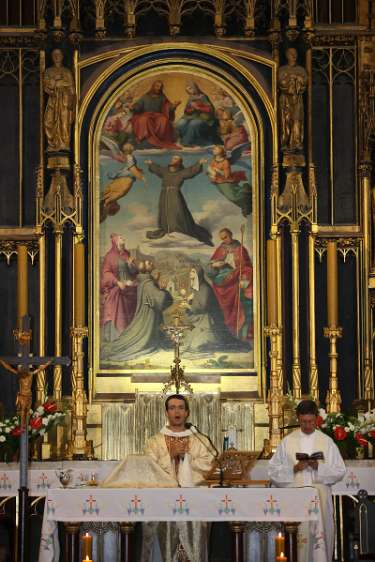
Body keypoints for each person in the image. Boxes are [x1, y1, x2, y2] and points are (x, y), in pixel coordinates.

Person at [268, 400, 346, 562]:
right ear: (298, 419)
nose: (307, 425)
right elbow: (273, 471)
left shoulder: (326, 442)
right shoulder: (287, 442)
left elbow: (339, 471)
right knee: (298, 542)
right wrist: (294, 469)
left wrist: (319, 467)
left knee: (319, 541)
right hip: (296, 498)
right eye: (303, 422)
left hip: (320, 498)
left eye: (310, 421)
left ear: (316, 419)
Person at [143, 394, 214, 562]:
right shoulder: (155, 441)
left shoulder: (200, 440)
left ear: (187, 413)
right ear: (166, 413)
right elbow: (149, 468)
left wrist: (186, 457)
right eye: (172, 408)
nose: (177, 412)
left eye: (181, 408)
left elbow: (210, 464)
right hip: (164, 501)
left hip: (194, 501)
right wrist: (170, 457)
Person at [101, 260, 173, 361]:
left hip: (148, 316)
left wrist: (156, 283)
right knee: (137, 340)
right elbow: (159, 300)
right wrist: (163, 290)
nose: (151, 263)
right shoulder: (148, 284)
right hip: (148, 319)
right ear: (144, 269)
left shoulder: (145, 281)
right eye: (148, 263)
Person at [145, 155, 213, 246]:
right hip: (164, 194)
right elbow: (158, 169)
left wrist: (199, 163)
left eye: (175, 159)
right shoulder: (165, 171)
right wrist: (151, 164)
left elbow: (191, 171)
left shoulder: (182, 172)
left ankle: (178, 229)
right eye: (173, 158)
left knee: (177, 210)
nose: (172, 160)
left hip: (174, 194)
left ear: (180, 162)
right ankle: (167, 229)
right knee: (164, 211)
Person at [181, 266, 249, 353]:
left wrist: (188, 305)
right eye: (191, 271)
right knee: (188, 343)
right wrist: (189, 300)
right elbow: (196, 301)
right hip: (198, 316)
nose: (190, 273)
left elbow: (203, 307)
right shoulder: (197, 288)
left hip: (208, 318)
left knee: (199, 346)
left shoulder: (205, 288)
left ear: (198, 274)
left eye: (193, 272)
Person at [208, 228, 253, 340]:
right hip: (222, 281)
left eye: (226, 237)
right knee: (222, 305)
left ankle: (236, 330)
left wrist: (245, 279)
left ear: (231, 235)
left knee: (238, 301)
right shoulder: (221, 248)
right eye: (222, 238)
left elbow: (247, 267)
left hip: (235, 280)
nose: (224, 240)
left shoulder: (240, 249)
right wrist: (215, 264)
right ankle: (225, 329)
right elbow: (211, 263)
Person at [100, 234, 138, 341]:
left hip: (129, 288)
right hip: (118, 288)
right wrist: (117, 282)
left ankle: (129, 338)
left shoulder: (127, 254)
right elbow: (106, 273)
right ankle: (117, 338)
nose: (124, 238)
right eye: (121, 237)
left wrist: (131, 265)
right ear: (115, 241)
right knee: (117, 306)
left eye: (123, 237)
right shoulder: (110, 256)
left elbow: (134, 272)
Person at [100, 142, 145, 222]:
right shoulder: (118, 193)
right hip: (125, 179)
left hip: (122, 179)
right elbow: (131, 168)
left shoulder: (113, 194)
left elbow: (130, 167)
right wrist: (140, 176)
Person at [131, 80, 180, 149]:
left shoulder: (162, 97)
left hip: (158, 115)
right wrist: (133, 108)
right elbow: (138, 107)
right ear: (153, 86)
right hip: (146, 115)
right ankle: (146, 140)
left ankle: (160, 140)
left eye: (160, 87)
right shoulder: (145, 97)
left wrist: (174, 106)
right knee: (144, 120)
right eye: (157, 86)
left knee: (164, 120)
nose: (158, 88)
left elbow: (168, 107)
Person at [43, 48, 75, 152]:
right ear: (52, 57)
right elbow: (46, 86)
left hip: (65, 101)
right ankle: (53, 144)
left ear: (62, 57)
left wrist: (72, 103)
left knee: (64, 123)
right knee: (48, 121)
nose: (57, 57)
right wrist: (55, 84)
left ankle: (64, 144)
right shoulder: (48, 71)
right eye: (54, 54)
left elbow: (72, 88)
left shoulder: (66, 71)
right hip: (53, 100)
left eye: (59, 54)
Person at [278, 47, 307, 152]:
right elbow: (281, 83)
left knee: (297, 120)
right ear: (286, 55)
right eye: (291, 53)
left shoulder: (301, 70)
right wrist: (291, 79)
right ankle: (285, 142)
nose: (293, 55)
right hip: (285, 99)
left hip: (297, 99)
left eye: (295, 53)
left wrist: (297, 79)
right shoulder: (282, 69)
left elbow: (304, 83)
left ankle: (295, 143)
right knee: (285, 121)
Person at [176, 81, 221, 147]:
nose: (190, 91)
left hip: (204, 117)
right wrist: (192, 109)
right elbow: (186, 111)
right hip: (192, 116)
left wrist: (198, 107)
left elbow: (210, 109)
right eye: (188, 90)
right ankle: (183, 139)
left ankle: (187, 142)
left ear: (195, 88)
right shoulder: (191, 98)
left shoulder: (203, 97)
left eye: (190, 89)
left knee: (194, 124)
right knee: (180, 123)